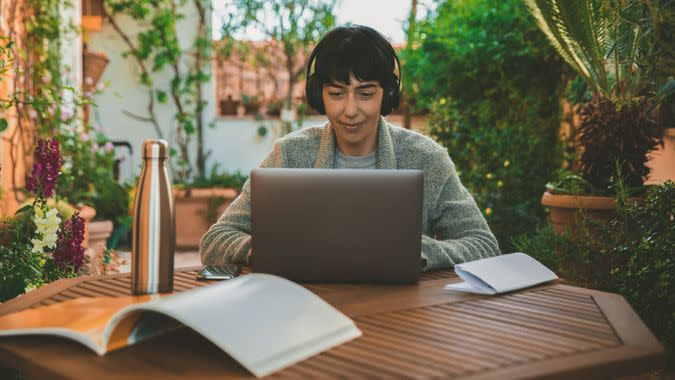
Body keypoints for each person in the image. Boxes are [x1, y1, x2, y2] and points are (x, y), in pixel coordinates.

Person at [200, 25, 500, 271]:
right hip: (307, 311)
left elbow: (483, 244)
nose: (351, 110)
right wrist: (261, 251)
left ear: (388, 95)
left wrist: (416, 251)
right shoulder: (289, 154)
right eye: (337, 93)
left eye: (366, 94)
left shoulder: (426, 158)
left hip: (402, 316)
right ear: (320, 96)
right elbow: (216, 239)